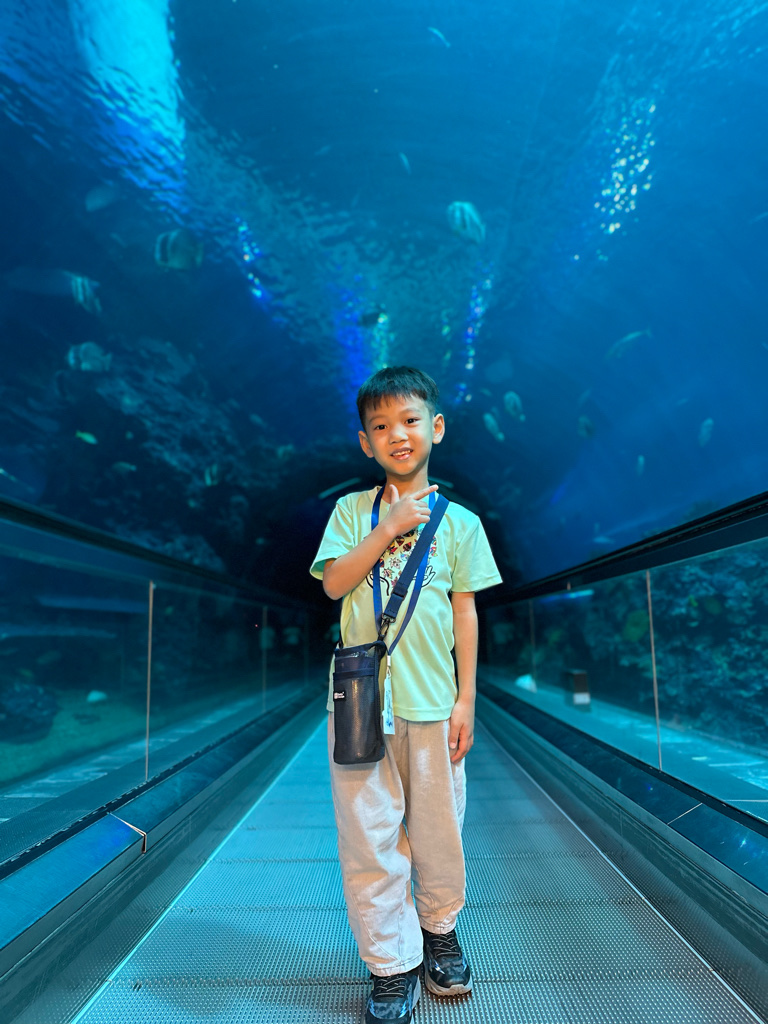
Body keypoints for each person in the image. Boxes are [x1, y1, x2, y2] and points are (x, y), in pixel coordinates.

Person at [310, 366, 502, 1023]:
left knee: (439, 830)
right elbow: (334, 583)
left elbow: (465, 612)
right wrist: (387, 525)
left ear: (436, 428)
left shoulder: (462, 523)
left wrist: (467, 699)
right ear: (366, 442)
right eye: (381, 425)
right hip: (360, 706)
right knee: (368, 836)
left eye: (410, 420)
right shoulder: (350, 512)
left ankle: (439, 930)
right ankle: (391, 964)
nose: (398, 434)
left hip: (433, 703)